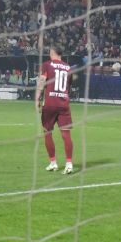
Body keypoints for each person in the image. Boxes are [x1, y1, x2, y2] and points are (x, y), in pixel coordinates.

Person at [35, 46, 74, 174]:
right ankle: (69, 163)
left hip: (50, 103)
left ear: (52, 53)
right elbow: (69, 86)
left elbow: (41, 82)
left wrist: (37, 99)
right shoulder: (68, 67)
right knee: (66, 134)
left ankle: (53, 162)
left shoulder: (47, 65)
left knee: (47, 132)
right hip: (63, 103)